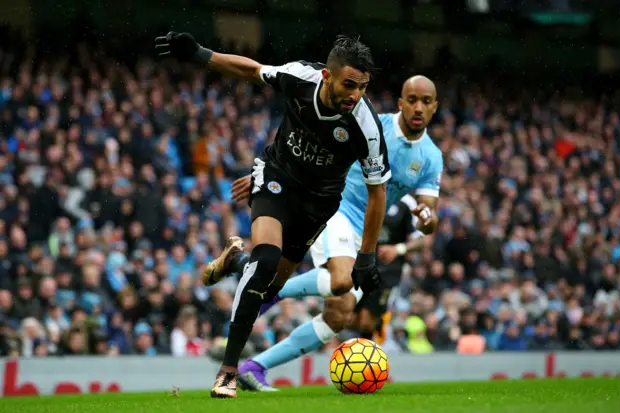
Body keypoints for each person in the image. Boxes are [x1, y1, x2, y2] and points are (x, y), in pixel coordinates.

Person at [155, 32, 390, 398]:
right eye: (348, 85)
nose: (354, 95)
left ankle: (236, 264)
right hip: (275, 178)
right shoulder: (300, 77)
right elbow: (252, 70)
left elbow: (378, 192)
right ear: (328, 76)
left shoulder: (366, 126)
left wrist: (368, 255)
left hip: (317, 205)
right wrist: (202, 54)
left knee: (271, 287)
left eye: (361, 88)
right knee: (266, 261)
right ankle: (228, 372)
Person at [231, 76, 442, 391]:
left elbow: (429, 213)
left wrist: (427, 217)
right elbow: (315, 143)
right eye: (412, 99)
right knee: (341, 279)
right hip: (335, 208)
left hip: (364, 231)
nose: (418, 107)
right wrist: (273, 175)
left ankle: (254, 367)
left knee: (339, 315)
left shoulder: (431, 157)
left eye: (426, 101)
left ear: (435, 107)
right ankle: (267, 289)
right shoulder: (374, 126)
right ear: (401, 103)